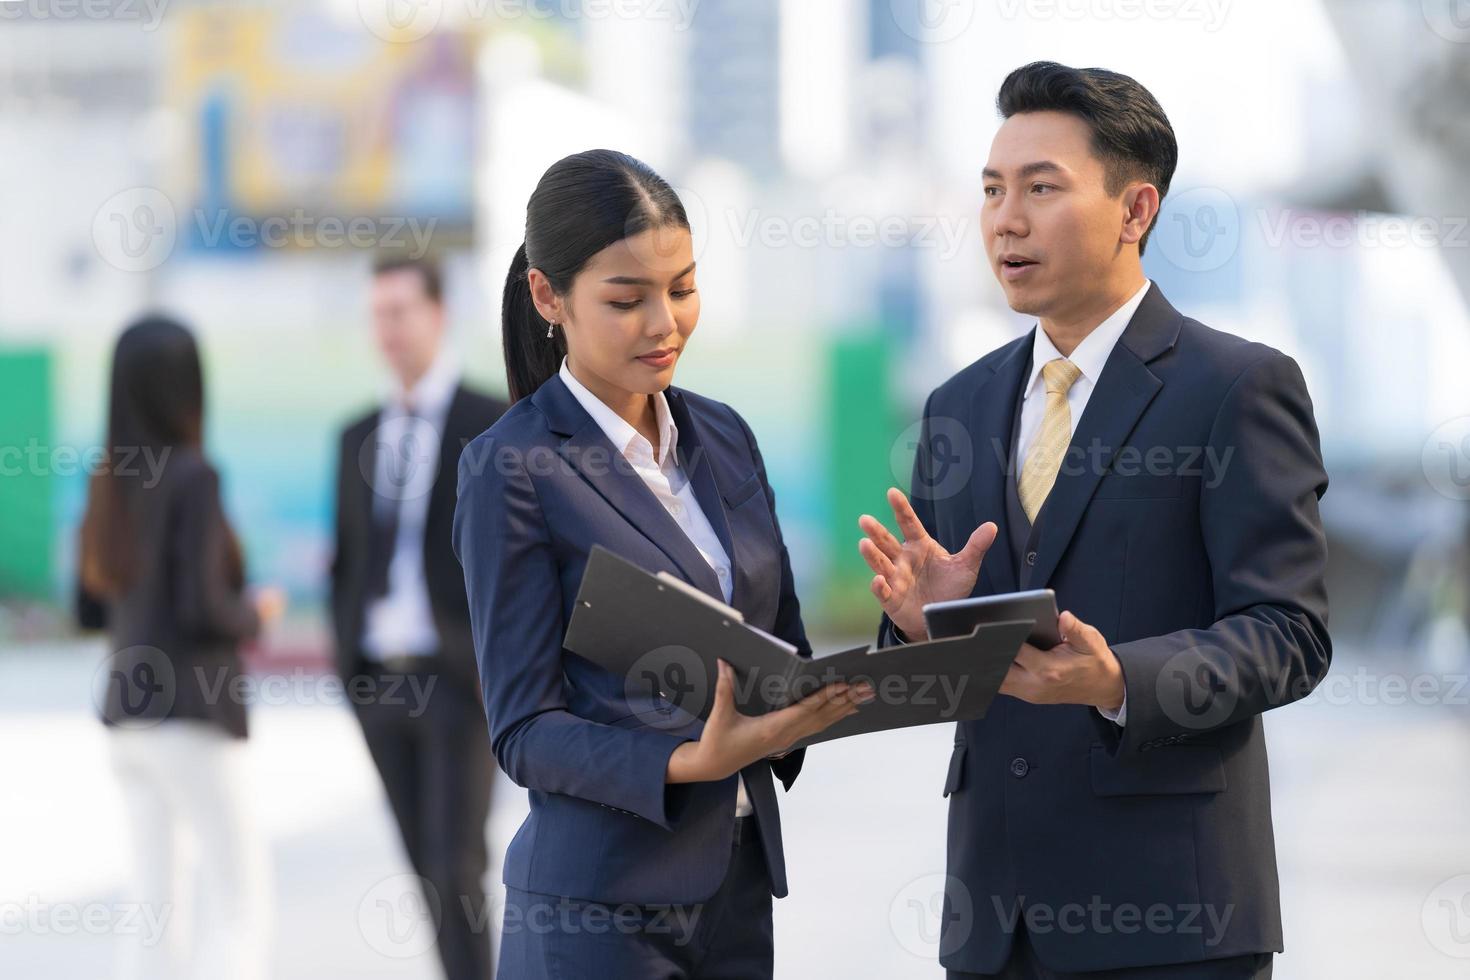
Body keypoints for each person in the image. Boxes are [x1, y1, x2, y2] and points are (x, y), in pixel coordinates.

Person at [858, 62, 1330, 978]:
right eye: (993, 190)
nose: (1006, 218)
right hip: (994, 923)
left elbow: (1290, 633)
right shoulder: (957, 406)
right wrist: (916, 631)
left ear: (1136, 209)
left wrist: (1120, 680)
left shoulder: (1235, 388)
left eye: (1042, 188)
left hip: (1173, 919)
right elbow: (936, 681)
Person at [452, 148, 872, 978]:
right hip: (595, 916)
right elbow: (524, 730)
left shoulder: (724, 436)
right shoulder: (513, 469)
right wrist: (687, 762)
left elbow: (779, 658)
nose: (664, 323)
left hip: (737, 895)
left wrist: (911, 622)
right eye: (627, 299)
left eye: (682, 288)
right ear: (549, 296)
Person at [79, 314, 285, 980]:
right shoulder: (194, 477)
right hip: (189, 717)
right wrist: (255, 613)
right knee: (240, 901)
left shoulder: (108, 477)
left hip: (126, 722)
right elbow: (205, 608)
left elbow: (88, 602)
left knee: (153, 908)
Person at [328, 254, 507, 979]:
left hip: (457, 679)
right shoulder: (356, 434)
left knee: (456, 863)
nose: (388, 330)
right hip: (379, 680)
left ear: (438, 315)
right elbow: (346, 556)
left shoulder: (490, 423)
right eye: (377, 314)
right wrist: (347, 665)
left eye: (400, 312)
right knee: (422, 870)